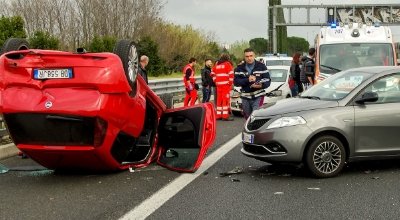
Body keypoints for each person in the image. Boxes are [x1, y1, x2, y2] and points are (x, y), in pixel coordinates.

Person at [234, 48, 271, 119]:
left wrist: (261, 85)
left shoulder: (261, 66)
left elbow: (268, 80)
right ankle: (249, 129)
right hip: (245, 96)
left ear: (254, 56)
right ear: (244, 57)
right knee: (248, 118)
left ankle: (257, 130)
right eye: (247, 56)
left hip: (258, 96)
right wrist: (247, 80)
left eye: (251, 56)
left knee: (256, 115)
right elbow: (236, 82)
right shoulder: (239, 68)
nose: (249, 58)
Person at [211, 53, 234, 121]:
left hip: (219, 86)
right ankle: (225, 116)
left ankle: (218, 115)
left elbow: (212, 73)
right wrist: (230, 83)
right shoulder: (227, 64)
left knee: (219, 101)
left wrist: (215, 81)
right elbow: (231, 74)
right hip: (225, 86)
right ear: (227, 58)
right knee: (225, 100)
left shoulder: (217, 65)